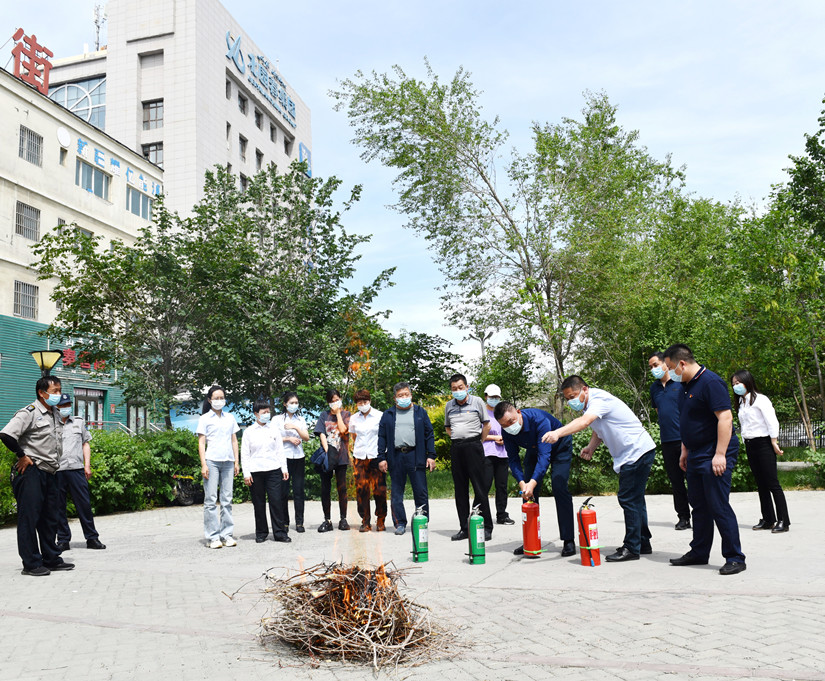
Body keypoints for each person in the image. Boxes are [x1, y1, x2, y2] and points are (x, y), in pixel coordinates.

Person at [543, 376, 656, 563]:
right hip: (633, 453)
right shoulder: (590, 405)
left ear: (584, 389)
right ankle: (642, 542)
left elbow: (585, 422)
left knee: (628, 498)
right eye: (568, 398)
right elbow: (598, 428)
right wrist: (591, 447)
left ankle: (631, 547)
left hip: (636, 452)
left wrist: (557, 432)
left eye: (573, 396)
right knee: (635, 499)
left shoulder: (599, 399)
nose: (571, 401)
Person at [663, 344, 746, 575]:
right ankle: (699, 552)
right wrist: (685, 450)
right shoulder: (685, 386)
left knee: (718, 505)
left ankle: (735, 557)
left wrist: (720, 454)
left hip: (714, 451)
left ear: (682, 363)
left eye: (670, 367)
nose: (669, 373)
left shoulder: (711, 382)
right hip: (695, 452)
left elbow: (725, 419)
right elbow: (688, 421)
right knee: (698, 506)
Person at [0, 376, 75, 576]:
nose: (58, 394)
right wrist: (21, 456)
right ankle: (31, 563)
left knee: (50, 519)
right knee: (29, 519)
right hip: (32, 472)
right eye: (55, 391)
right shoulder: (29, 413)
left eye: (59, 390)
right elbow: (6, 434)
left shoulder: (55, 414)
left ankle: (51, 558)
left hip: (51, 472)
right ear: (42, 393)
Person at [493, 401, 576, 557]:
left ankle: (568, 540)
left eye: (511, 421)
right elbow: (513, 460)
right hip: (534, 448)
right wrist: (523, 483)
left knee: (559, 486)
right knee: (527, 494)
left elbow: (544, 456)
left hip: (559, 446)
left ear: (518, 412)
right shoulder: (507, 432)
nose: (509, 426)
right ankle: (530, 540)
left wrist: (533, 482)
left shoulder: (539, 420)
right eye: (504, 425)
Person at [731, 370, 790, 533]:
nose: (736, 386)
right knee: (761, 484)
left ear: (747, 382)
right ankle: (768, 519)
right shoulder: (742, 402)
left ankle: (783, 520)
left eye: (738, 383)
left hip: (764, 443)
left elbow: (772, 421)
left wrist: (774, 441)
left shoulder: (761, 400)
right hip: (751, 444)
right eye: (733, 384)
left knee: (772, 483)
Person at [377, 382, 436, 535]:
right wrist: (381, 458)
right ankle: (400, 523)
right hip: (396, 456)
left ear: (411, 395)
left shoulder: (420, 412)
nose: (403, 397)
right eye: (400, 395)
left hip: (416, 455)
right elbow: (382, 437)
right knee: (396, 493)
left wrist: (431, 456)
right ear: (395, 398)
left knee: (420, 491)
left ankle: (421, 520)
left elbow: (429, 434)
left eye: (406, 394)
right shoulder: (388, 414)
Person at [445, 374, 493, 542]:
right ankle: (464, 528)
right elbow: (448, 428)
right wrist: (458, 438)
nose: (457, 391)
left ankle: (486, 527)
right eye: (454, 389)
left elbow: (487, 425)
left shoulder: (477, 402)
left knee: (480, 488)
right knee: (460, 490)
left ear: (466, 387)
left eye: (460, 387)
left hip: (474, 446)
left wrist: (479, 441)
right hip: (457, 447)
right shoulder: (449, 406)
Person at [54, 393, 105, 552]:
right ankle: (63, 540)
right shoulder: (51, 424)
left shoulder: (78, 422)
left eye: (68, 404)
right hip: (57, 470)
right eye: (63, 405)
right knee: (58, 507)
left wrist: (87, 466)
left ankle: (92, 538)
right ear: (57, 407)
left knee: (84, 505)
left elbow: (85, 444)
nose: (66, 408)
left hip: (76, 469)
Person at [649, 352, 691, 531]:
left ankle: (702, 514)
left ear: (666, 364)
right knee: (676, 481)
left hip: (685, 439)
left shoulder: (681, 383)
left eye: (656, 365)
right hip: (667, 441)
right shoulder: (654, 388)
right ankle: (683, 517)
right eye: (651, 367)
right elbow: (659, 411)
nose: (653, 369)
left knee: (693, 479)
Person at [196, 385, 240, 549]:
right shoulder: (205, 419)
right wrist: (203, 464)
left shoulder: (230, 418)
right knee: (211, 500)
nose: (219, 401)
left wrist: (236, 461)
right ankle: (212, 537)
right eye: (216, 398)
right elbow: (201, 443)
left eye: (222, 398)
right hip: (212, 461)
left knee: (227, 499)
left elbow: (234, 440)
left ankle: (226, 535)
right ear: (209, 400)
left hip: (228, 461)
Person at [241, 400, 290, 543]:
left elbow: (280, 451)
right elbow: (245, 454)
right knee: (259, 503)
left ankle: (280, 533)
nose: (267, 414)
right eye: (264, 412)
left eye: (268, 412)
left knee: (276, 501)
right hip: (256, 471)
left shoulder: (274, 430)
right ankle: (261, 532)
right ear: (256, 414)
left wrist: (284, 468)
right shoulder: (249, 432)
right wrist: (246, 473)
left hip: (273, 470)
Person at [349, 389, 387, 532]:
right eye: (360, 402)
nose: (363, 404)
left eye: (365, 401)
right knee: (362, 490)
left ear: (369, 401)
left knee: (379, 489)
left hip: (376, 456)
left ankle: (381, 519)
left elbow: (384, 436)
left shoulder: (379, 416)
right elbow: (354, 436)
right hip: (359, 457)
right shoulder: (354, 418)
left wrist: (384, 457)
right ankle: (365, 520)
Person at [313, 389, 351, 532]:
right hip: (327, 456)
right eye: (332, 401)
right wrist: (328, 452)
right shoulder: (324, 415)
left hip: (342, 457)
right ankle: (327, 520)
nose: (335, 403)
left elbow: (343, 430)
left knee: (342, 488)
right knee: (325, 488)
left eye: (337, 400)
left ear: (340, 399)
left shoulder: (347, 414)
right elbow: (322, 434)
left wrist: (338, 414)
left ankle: (343, 519)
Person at [273, 391, 310, 533]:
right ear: (285, 404)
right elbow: (272, 438)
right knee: (283, 491)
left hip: (299, 457)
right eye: (291, 403)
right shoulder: (277, 419)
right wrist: (288, 439)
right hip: (283, 458)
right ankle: (284, 522)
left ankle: (299, 522)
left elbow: (306, 437)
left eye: (296, 403)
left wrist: (296, 428)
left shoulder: (300, 419)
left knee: (299, 490)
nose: (294, 405)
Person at [482, 385, 514, 526]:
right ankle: (480, 513)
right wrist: (495, 438)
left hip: (502, 453)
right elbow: (478, 434)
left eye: (496, 397)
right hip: (487, 452)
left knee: (502, 485)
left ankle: (502, 514)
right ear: (486, 396)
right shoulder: (481, 412)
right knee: (485, 484)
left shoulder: (502, 413)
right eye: (491, 397)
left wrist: (504, 439)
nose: (494, 399)